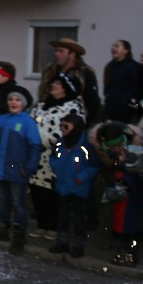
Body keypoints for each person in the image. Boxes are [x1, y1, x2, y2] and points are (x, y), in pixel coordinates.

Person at [0, 86, 42, 254]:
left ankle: (19, 234)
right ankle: (3, 228)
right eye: (11, 99)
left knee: (18, 203)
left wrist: (30, 167)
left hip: (18, 171)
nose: (13, 102)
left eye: (17, 100)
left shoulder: (28, 123)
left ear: (23, 104)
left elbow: (35, 147)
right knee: (2, 199)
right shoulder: (0, 120)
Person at [28, 74, 86, 233]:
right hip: (36, 156)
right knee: (37, 191)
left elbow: (69, 131)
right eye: (54, 81)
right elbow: (30, 123)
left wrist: (41, 140)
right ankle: (42, 224)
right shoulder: (42, 105)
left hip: (56, 157)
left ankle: (53, 227)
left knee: (53, 194)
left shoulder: (72, 107)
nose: (54, 85)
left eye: (58, 84)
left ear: (66, 89)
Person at [90, 120, 143, 267]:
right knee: (125, 230)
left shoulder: (134, 157)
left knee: (131, 232)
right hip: (126, 203)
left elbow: (134, 181)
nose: (117, 150)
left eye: (119, 147)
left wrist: (116, 189)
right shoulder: (99, 144)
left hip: (132, 204)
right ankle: (122, 250)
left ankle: (129, 255)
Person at [48, 113, 98, 258]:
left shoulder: (85, 147)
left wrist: (80, 178)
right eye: (61, 125)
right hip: (63, 185)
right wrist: (56, 168)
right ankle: (62, 242)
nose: (62, 129)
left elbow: (93, 167)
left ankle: (78, 245)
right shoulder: (60, 143)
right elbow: (53, 158)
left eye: (66, 126)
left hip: (78, 188)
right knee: (62, 216)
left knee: (78, 217)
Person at [38, 37, 100, 123]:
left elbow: (92, 102)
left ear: (72, 54)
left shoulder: (85, 73)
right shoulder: (50, 71)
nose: (56, 54)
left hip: (74, 122)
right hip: (49, 120)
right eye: (56, 51)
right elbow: (42, 95)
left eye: (61, 51)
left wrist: (85, 124)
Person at [103, 40, 141, 123]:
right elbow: (107, 84)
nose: (113, 48)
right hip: (111, 107)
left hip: (128, 109)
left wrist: (129, 102)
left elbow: (137, 87)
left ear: (125, 51)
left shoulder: (134, 66)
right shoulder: (110, 65)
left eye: (117, 46)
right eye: (113, 46)